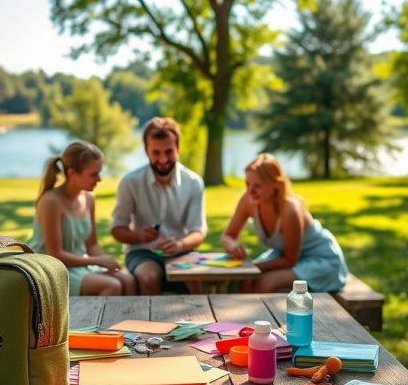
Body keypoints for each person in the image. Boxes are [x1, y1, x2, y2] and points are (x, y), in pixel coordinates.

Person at [221, 153, 348, 293]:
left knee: (265, 282)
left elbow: (290, 260)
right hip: (284, 256)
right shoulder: (248, 201)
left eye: (257, 186)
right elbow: (228, 235)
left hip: (320, 260)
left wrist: (252, 266)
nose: (250, 190)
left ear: (275, 184)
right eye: (247, 184)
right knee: (245, 280)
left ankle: (262, 315)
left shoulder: (289, 209)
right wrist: (232, 244)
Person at [111, 116, 207, 294]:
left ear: (178, 148)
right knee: (150, 277)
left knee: (195, 277)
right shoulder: (130, 182)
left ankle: (199, 320)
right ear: (146, 151)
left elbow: (199, 232)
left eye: (169, 151)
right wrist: (139, 236)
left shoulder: (193, 182)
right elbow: (117, 230)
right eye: (156, 152)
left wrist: (181, 244)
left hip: (182, 252)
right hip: (141, 252)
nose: (163, 159)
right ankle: (150, 322)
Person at [30, 141, 136, 296]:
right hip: (53, 269)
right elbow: (55, 255)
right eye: (93, 174)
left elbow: (91, 244)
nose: (99, 179)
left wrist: (106, 261)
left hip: (81, 265)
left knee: (128, 280)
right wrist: (97, 261)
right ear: (72, 173)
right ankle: (98, 321)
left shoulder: (89, 198)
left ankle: (129, 320)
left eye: (100, 172)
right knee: (112, 286)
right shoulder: (51, 201)